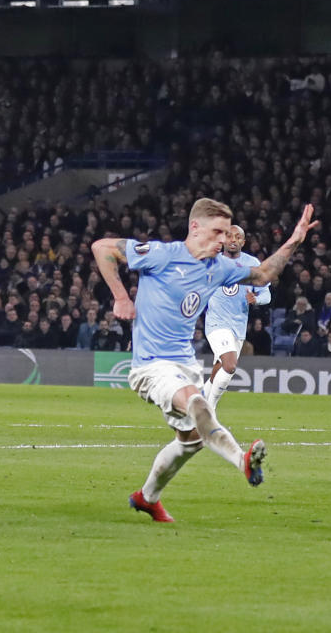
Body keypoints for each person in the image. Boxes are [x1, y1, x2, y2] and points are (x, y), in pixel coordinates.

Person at [92, 199, 317, 522]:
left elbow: (264, 273)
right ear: (194, 227)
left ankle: (147, 497)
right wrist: (121, 296)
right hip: (152, 366)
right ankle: (242, 461)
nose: (224, 240)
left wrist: (294, 240)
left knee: (190, 440)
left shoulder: (220, 268)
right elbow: (102, 247)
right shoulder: (162, 255)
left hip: (185, 364)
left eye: (226, 233)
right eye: (218, 232)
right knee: (198, 404)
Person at [203, 225, 271, 407]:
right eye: (229, 236)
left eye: (237, 237)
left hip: (238, 326)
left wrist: (256, 299)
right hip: (215, 323)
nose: (233, 240)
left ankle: (200, 401)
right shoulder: (210, 261)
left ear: (243, 242)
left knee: (220, 367)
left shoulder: (253, 264)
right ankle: (209, 412)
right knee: (230, 365)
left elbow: (267, 295)